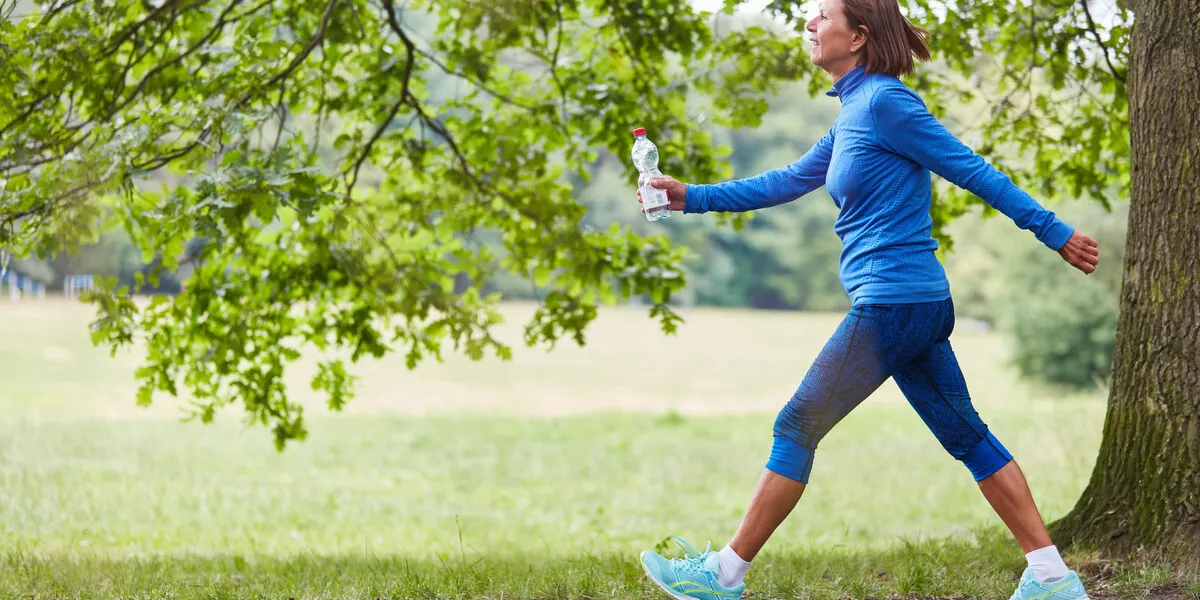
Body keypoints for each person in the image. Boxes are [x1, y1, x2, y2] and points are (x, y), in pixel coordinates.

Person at [633, 1, 1101, 599]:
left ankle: (724, 576)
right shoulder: (855, 110)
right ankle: (1053, 580)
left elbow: (970, 168)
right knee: (967, 437)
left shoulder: (886, 103)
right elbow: (787, 179)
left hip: (892, 304)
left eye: (821, 14)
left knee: (796, 424)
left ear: (857, 36)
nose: (809, 23)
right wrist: (690, 197)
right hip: (912, 304)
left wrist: (1052, 231)